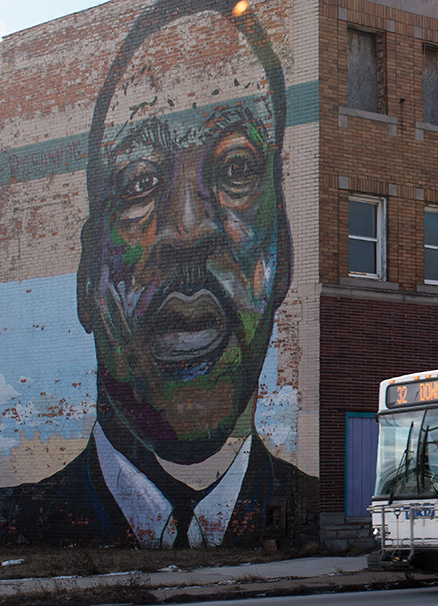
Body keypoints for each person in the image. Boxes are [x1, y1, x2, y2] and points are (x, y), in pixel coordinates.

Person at [0, 0, 313, 548]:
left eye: (237, 169)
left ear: (283, 253)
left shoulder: (319, 508)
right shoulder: (21, 526)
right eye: (139, 182)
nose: (188, 232)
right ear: (85, 281)